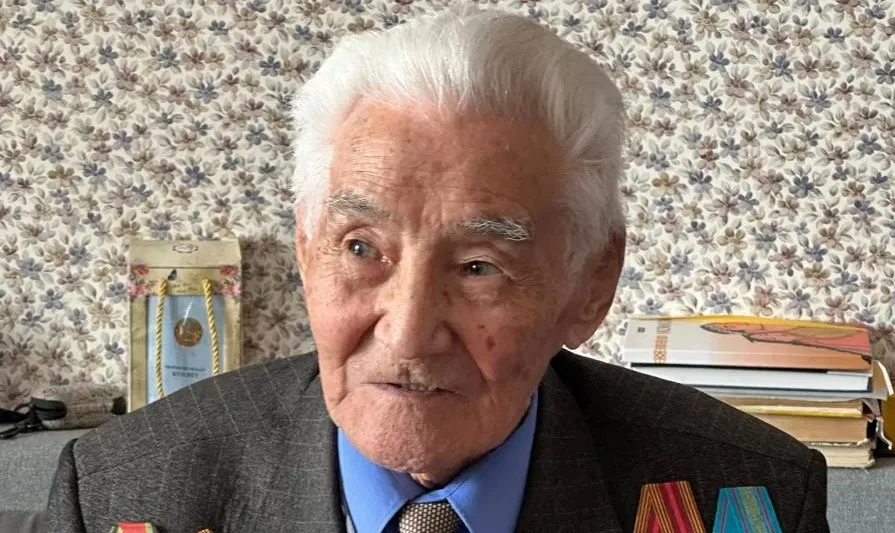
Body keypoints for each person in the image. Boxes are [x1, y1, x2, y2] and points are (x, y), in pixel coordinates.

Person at [47, 7, 829, 533]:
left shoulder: (744, 492)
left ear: (591, 282)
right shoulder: (122, 489)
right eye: (361, 249)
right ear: (307, 249)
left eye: (480, 265)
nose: (408, 332)